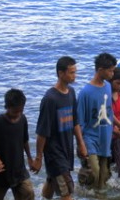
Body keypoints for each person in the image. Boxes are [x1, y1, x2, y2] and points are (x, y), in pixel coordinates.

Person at [32, 56, 87, 200]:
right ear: (61, 73)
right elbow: (42, 132)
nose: (75, 76)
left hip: (66, 149)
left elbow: (75, 121)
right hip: (54, 153)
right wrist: (38, 158)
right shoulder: (50, 99)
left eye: (75, 72)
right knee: (67, 190)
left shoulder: (71, 93)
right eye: (71, 72)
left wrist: (81, 144)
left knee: (52, 181)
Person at [77, 53, 116, 193]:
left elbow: (110, 111)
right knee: (94, 171)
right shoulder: (85, 93)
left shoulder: (108, 87)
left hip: (105, 137)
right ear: (100, 70)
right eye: (110, 70)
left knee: (104, 175)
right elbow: (79, 122)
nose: (112, 74)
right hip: (90, 138)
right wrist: (81, 144)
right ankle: (81, 187)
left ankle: (98, 196)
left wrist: (118, 127)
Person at [0, 88, 34, 200]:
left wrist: (30, 159)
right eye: (15, 111)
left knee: (28, 193)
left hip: (19, 171)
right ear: (7, 107)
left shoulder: (23, 119)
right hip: (0, 173)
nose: (18, 114)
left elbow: (25, 140)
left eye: (21, 110)